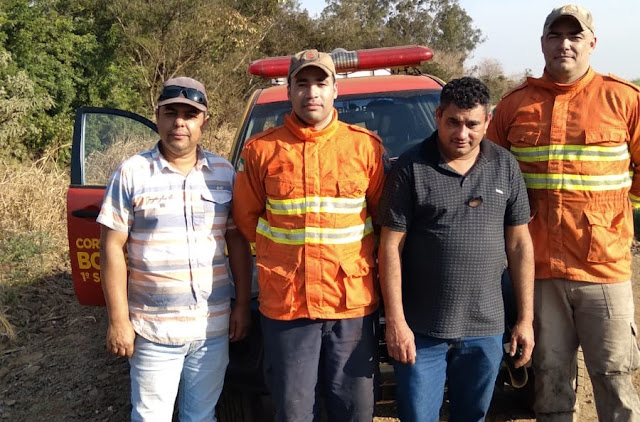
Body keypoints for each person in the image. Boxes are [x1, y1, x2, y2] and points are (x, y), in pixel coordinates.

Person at [487, 4, 640, 421]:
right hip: (537, 271)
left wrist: (615, 219)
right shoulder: (514, 106)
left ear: (593, 43)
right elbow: (491, 179)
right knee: (550, 381)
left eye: (575, 36)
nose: (564, 44)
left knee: (614, 377)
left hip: (603, 267)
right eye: (555, 36)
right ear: (542, 43)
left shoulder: (623, 99)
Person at [232, 50, 386, 421]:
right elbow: (247, 221)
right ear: (289, 90)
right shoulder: (261, 150)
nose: (312, 92)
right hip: (288, 305)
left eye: (320, 83)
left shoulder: (365, 147)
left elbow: (383, 222)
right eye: (302, 83)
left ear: (335, 90)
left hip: (350, 305)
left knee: (354, 410)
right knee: (294, 412)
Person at [378, 77, 535, 422]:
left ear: (488, 121)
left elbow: (520, 245)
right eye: (453, 122)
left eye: (472, 124)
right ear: (438, 116)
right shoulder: (410, 167)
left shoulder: (505, 166)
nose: (462, 133)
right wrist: (396, 322)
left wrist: (525, 319)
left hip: (486, 327)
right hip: (421, 329)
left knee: (473, 415)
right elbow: (390, 247)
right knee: (418, 416)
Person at [97, 77, 252, 421]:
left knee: (201, 416)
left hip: (212, 328)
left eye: (190, 115)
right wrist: (118, 320)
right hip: (153, 331)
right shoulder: (131, 173)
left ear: (204, 122)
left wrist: (242, 304)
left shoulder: (224, 173)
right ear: (157, 117)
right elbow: (111, 248)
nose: (179, 122)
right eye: (171, 113)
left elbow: (237, 241)